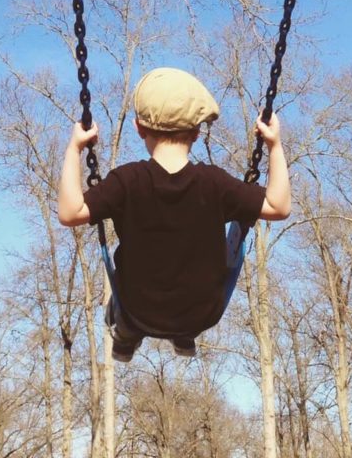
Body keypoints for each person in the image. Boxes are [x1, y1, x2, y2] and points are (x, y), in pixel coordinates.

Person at [57, 67, 291, 362]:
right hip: (200, 313)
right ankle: (183, 334)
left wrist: (74, 148)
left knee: (124, 304)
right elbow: (279, 206)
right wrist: (274, 145)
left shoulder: (126, 181)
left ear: (139, 127)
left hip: (139, 310)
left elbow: (69, 212)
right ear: (196, 132)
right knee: (192, 280)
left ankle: (126, 336)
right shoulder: (215, 184)